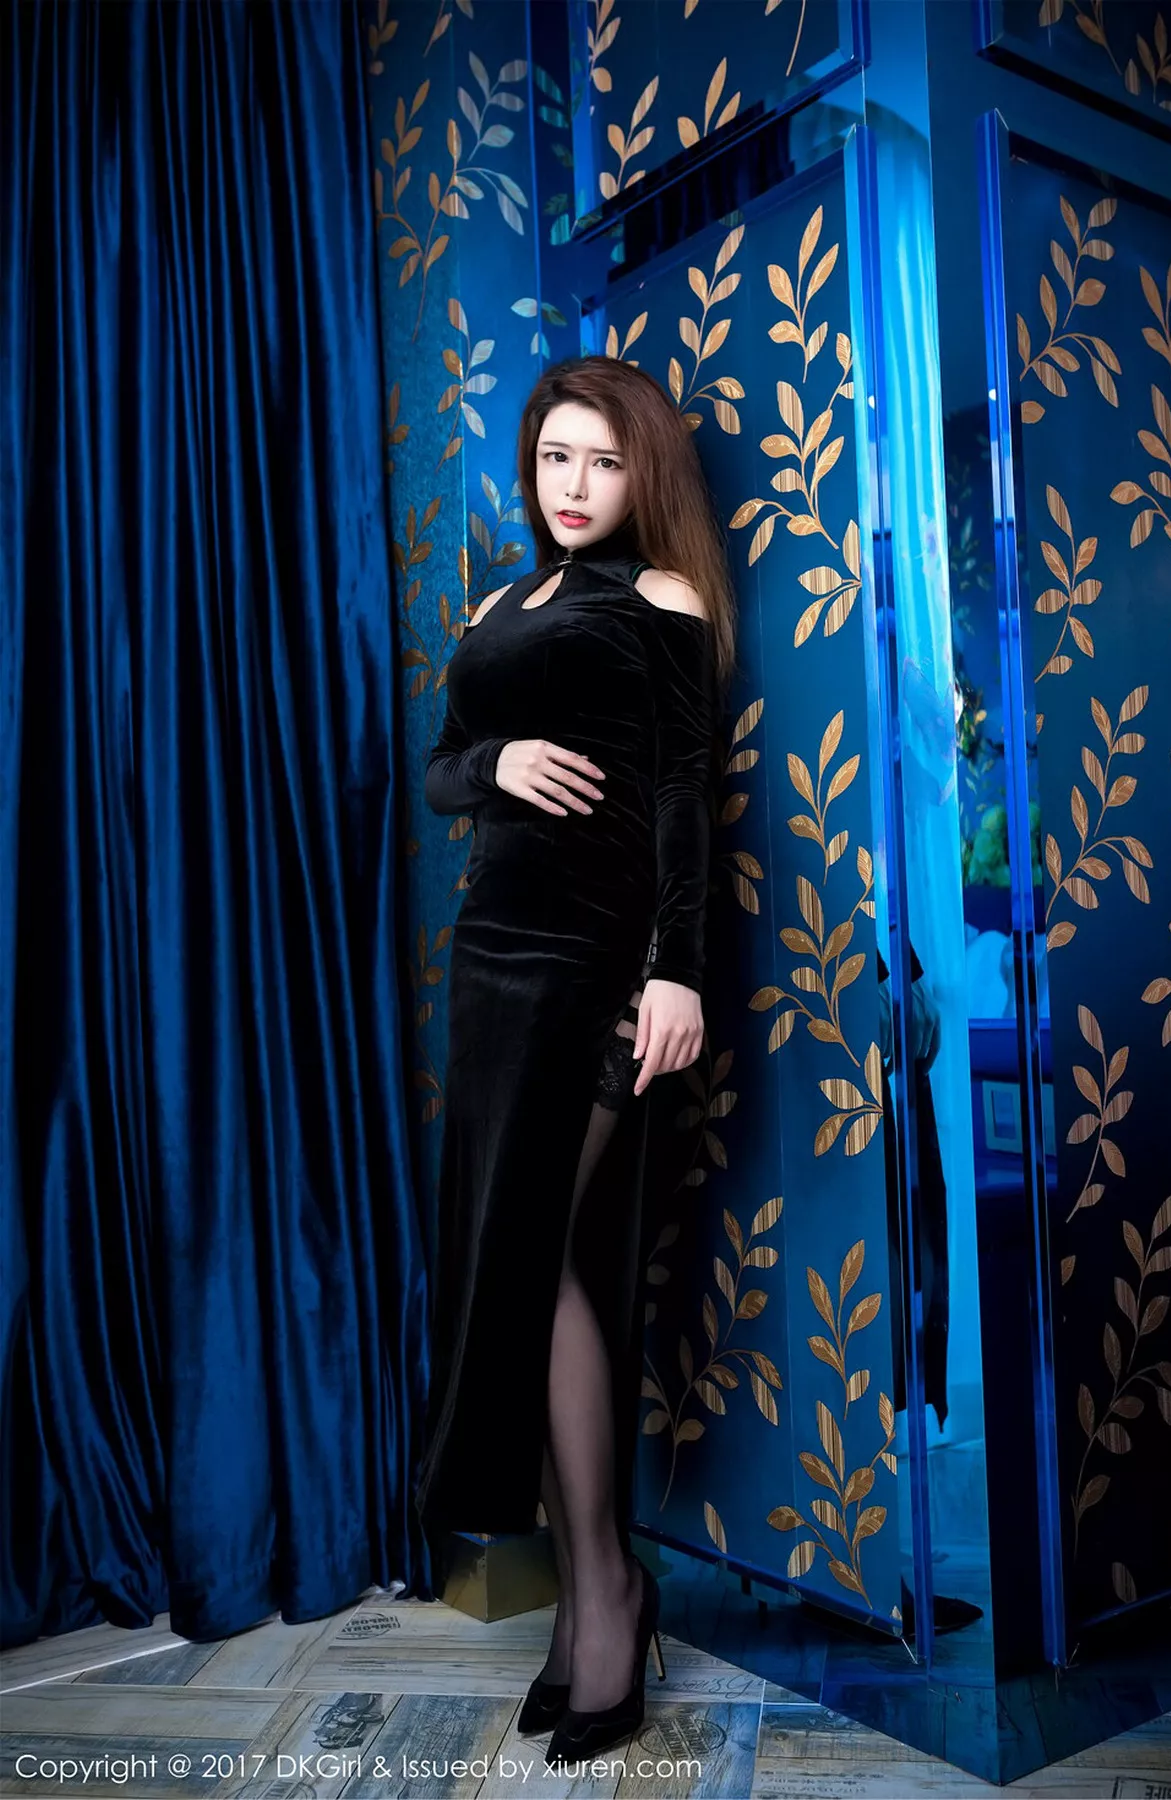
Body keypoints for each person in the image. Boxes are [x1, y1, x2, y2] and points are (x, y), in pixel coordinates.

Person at [412, 356, 736, 1768]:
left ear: (640, 471)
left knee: (536, 1255)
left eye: (603, 460)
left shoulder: (661, 600)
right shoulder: (496, 606)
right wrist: (496, 765)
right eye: (556, 457)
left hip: (594, 967)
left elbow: (685, 797)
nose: (576, 485)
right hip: (489, 968)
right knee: (517, 1267)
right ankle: (586, 1602)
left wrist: (678, 970)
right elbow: (442, 767)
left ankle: (606, 1592)